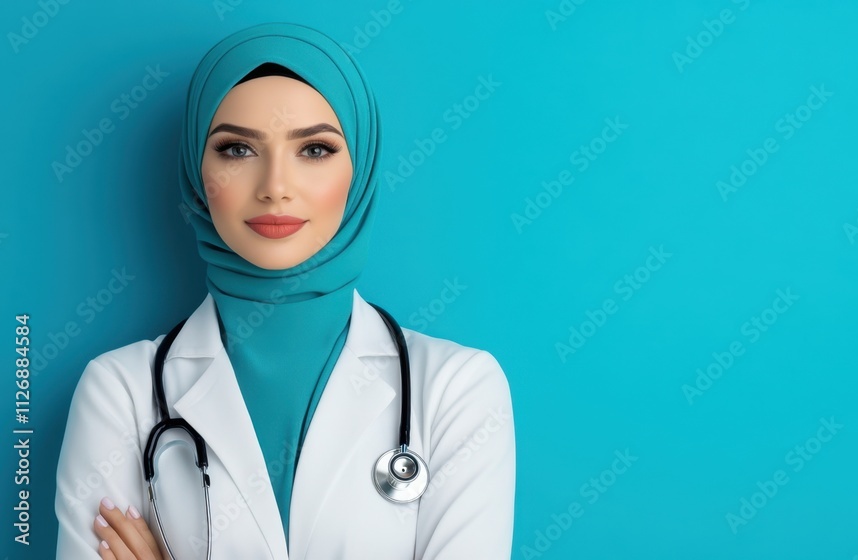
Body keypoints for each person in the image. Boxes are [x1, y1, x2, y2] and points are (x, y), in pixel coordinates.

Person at [54, 22, 515, 559]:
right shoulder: (120, 392)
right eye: (237, 149)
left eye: (315, 150)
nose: (275, 185)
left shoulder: (457, 389)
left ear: (359, 169)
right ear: (195, 171)